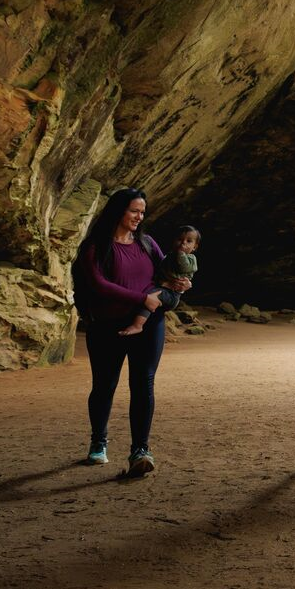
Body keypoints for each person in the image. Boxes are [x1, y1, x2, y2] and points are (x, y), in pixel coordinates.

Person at [73, 188, 190, 478]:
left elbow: (166, 272)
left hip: (149, 324)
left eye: (142, 212)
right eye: (134, 211)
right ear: (118, 211)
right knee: (104, 385)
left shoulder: (147, 243)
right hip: (106, 326)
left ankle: (140, 450)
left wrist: (180, 283)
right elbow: (98, 284)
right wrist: (141, 299)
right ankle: (98, 443)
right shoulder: (96, 247)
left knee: (143, 383)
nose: (140, 217)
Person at [121, 225, 200, 336]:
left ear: (195, 247)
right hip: (163, 288)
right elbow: (160, 268)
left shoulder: (191, 259)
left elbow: (184, 267)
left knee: (151, 296)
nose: (183, 243)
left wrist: (181, 254)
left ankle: (138, 325)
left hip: (172, 294)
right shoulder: (170, 256)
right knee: (148, 295)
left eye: (189, 241)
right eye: (180, 240)